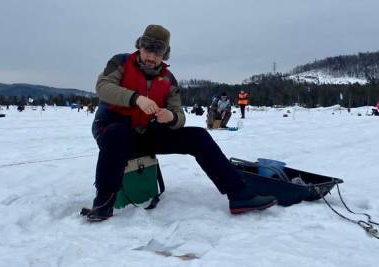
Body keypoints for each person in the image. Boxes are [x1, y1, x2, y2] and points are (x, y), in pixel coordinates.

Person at [86, 25, 277, 222]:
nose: (151, 57)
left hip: (143, 134)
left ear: (165, 54)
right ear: (140, 47)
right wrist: (137, 99)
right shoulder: (120, 62)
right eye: (147, 49)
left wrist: (171, 117)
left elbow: (179, 114)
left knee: (198, 136)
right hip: (112, 129)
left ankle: (239, 194)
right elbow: (103, 87)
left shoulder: (169, 80)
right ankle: (102, 203)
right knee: (116, 134)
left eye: (157, 52)